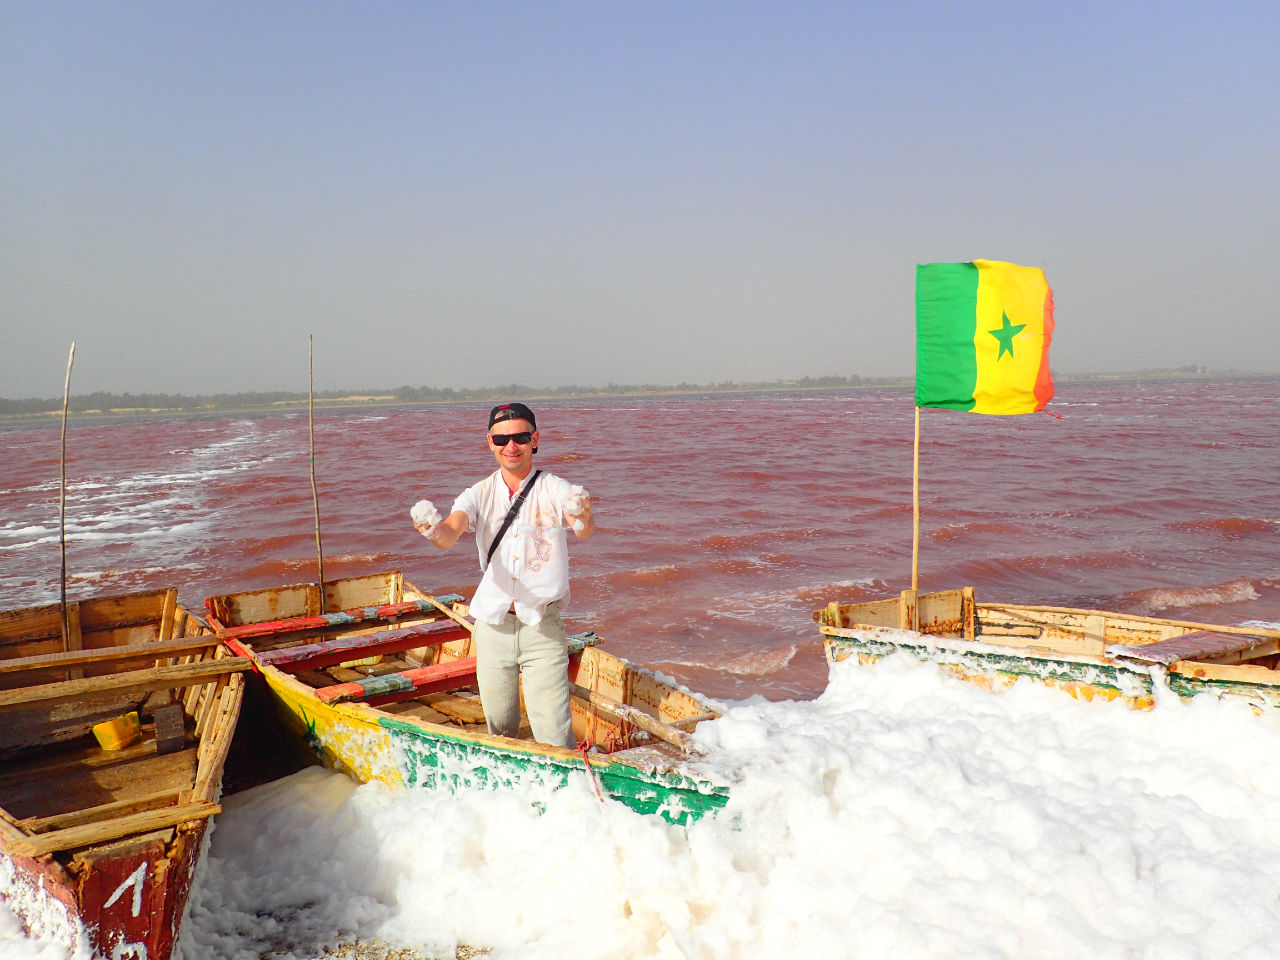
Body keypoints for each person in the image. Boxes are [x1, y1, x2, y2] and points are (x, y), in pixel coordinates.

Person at [410, 402, 594, 747]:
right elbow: (449, 532)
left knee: (555, 736)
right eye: (501, 439)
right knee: (500, 731)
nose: (511, 446)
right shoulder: (478, 493)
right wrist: (431, 529)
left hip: (542, 628)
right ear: (490, 442)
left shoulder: (554, 487)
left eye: (521, 437)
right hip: (493, 628)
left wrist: (581, 514)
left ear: (534, 440)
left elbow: (582, 527)